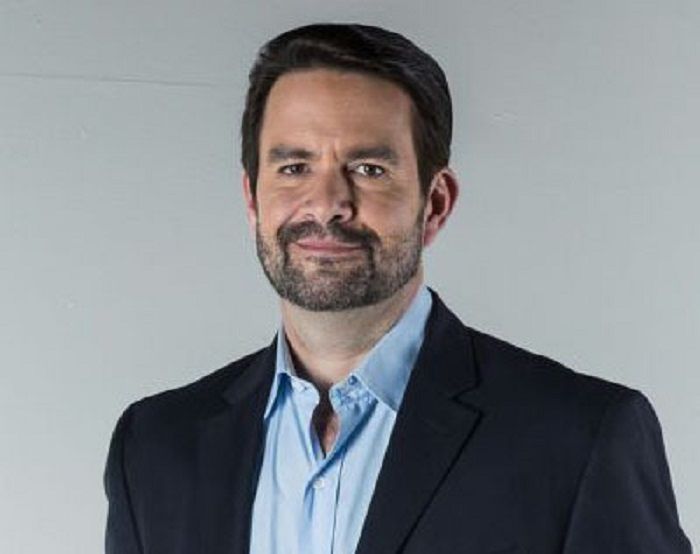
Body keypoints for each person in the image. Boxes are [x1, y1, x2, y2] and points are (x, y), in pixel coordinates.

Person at [104, 23, 692, 554]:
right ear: (252, 199)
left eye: (369, 169)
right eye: (294, 168)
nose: (326, 205)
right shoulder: (155, 447)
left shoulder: (580, 438)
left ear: (435, 204)